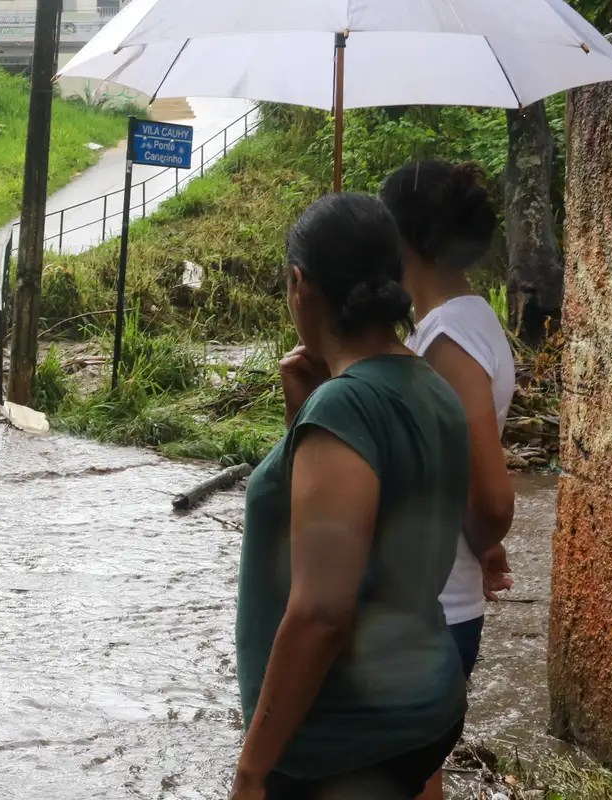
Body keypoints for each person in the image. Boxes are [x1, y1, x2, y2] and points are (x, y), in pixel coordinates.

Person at [230, 193, 470, 800]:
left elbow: (323, 612)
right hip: (421, 710)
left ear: (299, 283)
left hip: (337, 744)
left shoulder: (346, 406)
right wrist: (303, 411)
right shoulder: (429, 383)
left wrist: (252, 770)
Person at [382, 160, 517, 800]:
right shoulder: (461, 320)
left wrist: (484, 537)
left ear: (403, 239)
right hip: (440, 598)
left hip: (435, 605)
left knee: (402, 773)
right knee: (415, 772)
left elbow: (491, 495)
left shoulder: (448, 342)